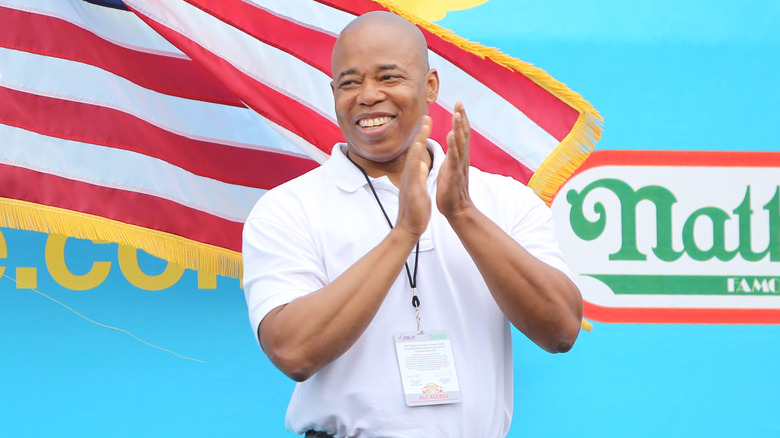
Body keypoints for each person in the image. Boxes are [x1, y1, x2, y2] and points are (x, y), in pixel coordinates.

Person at [242, 11, 583, 438]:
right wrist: (403, 233)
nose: (368, 96)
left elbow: (561, 329)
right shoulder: (288, 208)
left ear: (431, 86)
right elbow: (293, 352)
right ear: (333, 93)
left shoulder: (505, 199)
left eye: (388, 77)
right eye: (350, 83)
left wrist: (462, 214)